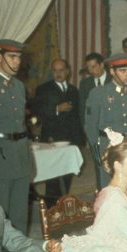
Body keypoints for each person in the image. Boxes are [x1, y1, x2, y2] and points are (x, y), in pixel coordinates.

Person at [0, 39, 32, 233]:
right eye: (12, 57)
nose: (17, 62)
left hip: (19, 154)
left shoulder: (18, 86)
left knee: (20, 212)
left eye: (19, 57)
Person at [84, 53, 127, 201]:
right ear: (112, 71)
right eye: (123, 71)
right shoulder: (98, 94)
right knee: (111, 192)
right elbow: (91, 127)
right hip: (111, 148)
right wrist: (98, 153)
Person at [32, 58, 85, 202]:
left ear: (67, 72)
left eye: (61, 70)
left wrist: (80, 138)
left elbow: (77, 116)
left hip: (70, 138)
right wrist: (56, 109)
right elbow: (36, 110)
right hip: (52, 138)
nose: (58, 73)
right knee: (53, 175)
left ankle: (62, 205)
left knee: (67, 173)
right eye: (55, 71)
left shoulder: (73, 90)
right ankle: (51, 208)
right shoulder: (43, 89)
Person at [78, 52, 110, 126]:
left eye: (93, 67)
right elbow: (82, 108)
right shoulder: (84, 84)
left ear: (102, 65)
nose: (90, 71)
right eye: (88, 68)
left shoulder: (114, 81)